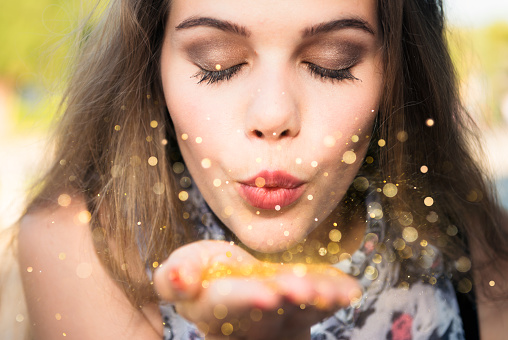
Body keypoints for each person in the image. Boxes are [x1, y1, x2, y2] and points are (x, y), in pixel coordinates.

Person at [7, 0, 508, 339]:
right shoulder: (77, 243)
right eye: (216, 62)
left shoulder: (469, 238)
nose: (272, 116)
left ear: (397, 72)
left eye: (332, 63)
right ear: (151, 64)